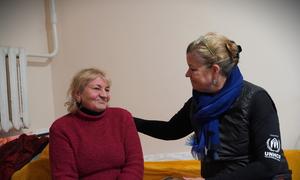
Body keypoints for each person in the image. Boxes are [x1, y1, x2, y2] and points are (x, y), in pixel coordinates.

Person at [134, 32, 291, 180]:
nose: (187, 74)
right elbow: (171, 130)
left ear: (215, 70)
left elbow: (269, 165)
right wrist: (127, 119)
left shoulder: (256, 99)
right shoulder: (198, 103)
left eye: (193, 68)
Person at [49, 68, 144, 180]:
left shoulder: (123, 117)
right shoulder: (61, 128)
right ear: (77, 94)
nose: (104, 95)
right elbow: (64, 176)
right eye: (96, 88)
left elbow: (135, 163)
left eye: (107, 89)